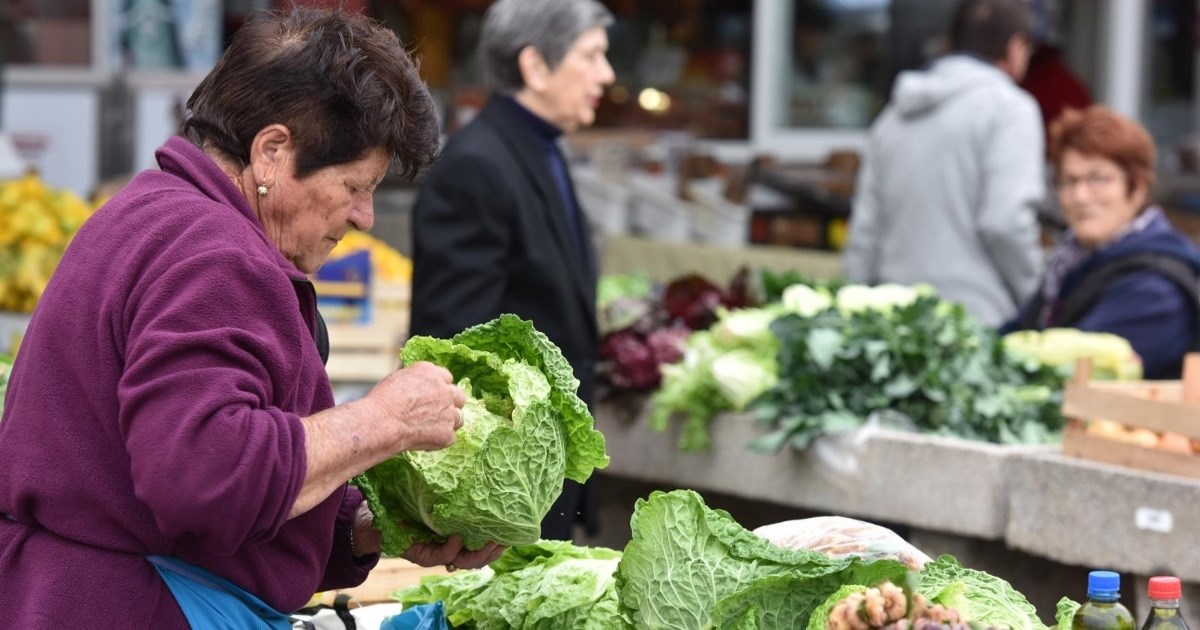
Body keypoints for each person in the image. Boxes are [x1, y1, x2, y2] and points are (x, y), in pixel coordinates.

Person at [0, 8, 504, 628]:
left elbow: (202, 485)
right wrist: (383, 421)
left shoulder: (155, 209)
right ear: (271, 153)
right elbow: (206, 479)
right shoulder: (217, 256)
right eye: (355, 185)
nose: (364, 217)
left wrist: (368, 530)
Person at [409, 0, 615, 540]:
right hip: (502, 494)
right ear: (536, 66)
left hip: (540, 478)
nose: (607, 75)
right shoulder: (478, 164)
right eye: (591, 56)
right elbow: (456, 345)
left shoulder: (539, 148)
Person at [843, 0, 1045, 327]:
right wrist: (1039, 301)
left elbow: (864, 235)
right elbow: (1006, 223)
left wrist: (852, 318)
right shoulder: (1010, 109)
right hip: (977, 328)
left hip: (894, 330)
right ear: (1014, 46)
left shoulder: (893, 115)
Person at [1002, 106, 1200, 379]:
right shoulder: (1071, 264)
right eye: (1070, 181)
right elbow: (1012, 335)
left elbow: (1067, 377)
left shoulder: (1156, 290)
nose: (1081, 196)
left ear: (1138, 187)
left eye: (1098, 179)